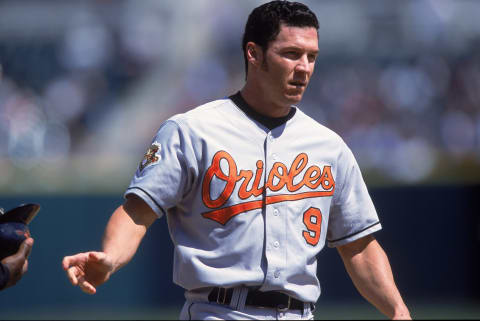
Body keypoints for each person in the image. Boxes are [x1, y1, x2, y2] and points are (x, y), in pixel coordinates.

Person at [62, 1, 411, 319]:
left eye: (312, 56)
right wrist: (111, 258)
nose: (304, 68)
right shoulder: (192, 131)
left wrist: (396, 309)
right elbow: (136, 213)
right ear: (254, 54)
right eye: (291, 53)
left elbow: (359, 245)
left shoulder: (329, 146)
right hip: (218, 310)